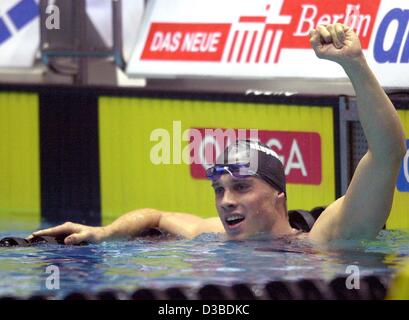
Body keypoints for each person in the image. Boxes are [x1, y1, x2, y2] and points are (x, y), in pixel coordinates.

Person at [28, 24, 406, 245]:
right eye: (219, 190)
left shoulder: (324, 239)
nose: (225, 201)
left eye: (241, 187)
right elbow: (156, 215)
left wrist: (354, 64)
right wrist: (105, 233)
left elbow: (387, 151)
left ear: (279, 195)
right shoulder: (216, 236)